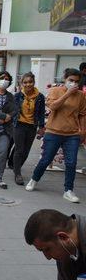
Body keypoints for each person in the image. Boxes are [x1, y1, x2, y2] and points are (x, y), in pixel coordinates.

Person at [26, 68, 86, 202]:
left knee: (71, 163)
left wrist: (83, 130)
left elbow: (82, 114)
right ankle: (34, 179)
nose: (74, 83)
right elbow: (53, 106)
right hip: (54, 131)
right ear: (65, 79)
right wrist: (68, 93)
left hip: (72, 134)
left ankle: (68, 190)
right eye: (71, 80)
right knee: (46, 159)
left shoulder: (81, 95)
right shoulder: (55, 91)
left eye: (76, 81)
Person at [10, 72, 46, 185]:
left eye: (30, 82)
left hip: (32, 126)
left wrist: (41, 126)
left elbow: (41, 112)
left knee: (26, 152)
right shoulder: (17, 96)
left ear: (34, 83)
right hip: (19, 125)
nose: (28, 84)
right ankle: (17, 173)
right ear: (21, 84)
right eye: (25, 82)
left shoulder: (40, 97)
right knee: (19, 150)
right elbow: (12, 110)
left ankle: (16, 166)